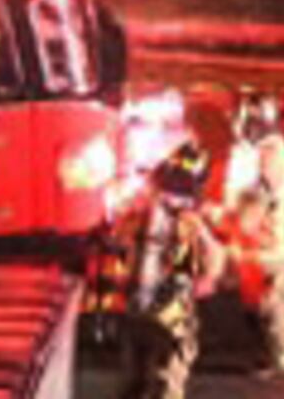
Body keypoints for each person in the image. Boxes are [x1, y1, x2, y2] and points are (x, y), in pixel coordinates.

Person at [121, 140, 229, 399]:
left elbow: (122, 240)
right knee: (169, 369)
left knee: (139, 364)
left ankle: (136, 390)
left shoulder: (143, 213)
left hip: (138, 305)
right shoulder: (190, 221)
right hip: (172, 309)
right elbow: (213, 261)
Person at [220, 89, 284, 377]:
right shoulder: (273, 147)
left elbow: (251, 209)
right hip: (279, 236)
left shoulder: (266, 157)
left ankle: (279, 353)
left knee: (264, 301)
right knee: (281, 286)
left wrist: (225, 223)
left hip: (265, 244)